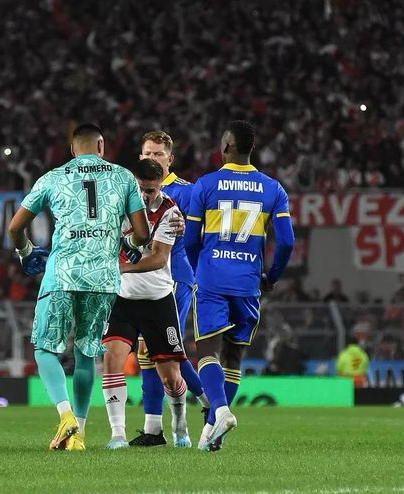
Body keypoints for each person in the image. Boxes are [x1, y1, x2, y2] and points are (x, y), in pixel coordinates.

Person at [8, 123, 150, 451]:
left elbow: (16, 227)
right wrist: (125, 240)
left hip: (62, 274)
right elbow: (142, 235)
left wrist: (26, 252)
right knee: (86, 354)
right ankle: (80, 435)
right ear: (101, 146)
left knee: (45, 348)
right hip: (103, 279)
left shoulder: (53, 178)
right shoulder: (124, 177)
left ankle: (65, 415)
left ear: (73, 149)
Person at [184, 120, 294, 451]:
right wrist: (271, 277)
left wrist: (197, 267)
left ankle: (219, 411)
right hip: (249, 283)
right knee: (233, 356)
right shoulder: (273, 189)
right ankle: (210, 433)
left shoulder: (206, 184)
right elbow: (286, 242)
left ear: (228, 147)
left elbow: (190, 240)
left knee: (206, 351)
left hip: (212, 279)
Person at [101, 158, 191, 449]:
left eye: (151, 190)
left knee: (170, 377)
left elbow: (159, 259)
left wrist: (122, 268)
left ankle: (179, 423)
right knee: (112, 358)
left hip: (157, 300)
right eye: (140, 189)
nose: (145, 196)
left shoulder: (170, 212)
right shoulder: (118, 206)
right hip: (123, 299)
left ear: (160, 187)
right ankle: (117, 435)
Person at [130, 130, 210, 448]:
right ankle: (158, 425)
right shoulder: (134, 191)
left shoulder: (184, 193)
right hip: (143, 281)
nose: (152, 159)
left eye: (158, 155)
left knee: (161, 353)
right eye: (147, 154)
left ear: (170, 159)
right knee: (152, 353)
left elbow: (194, 236)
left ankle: (208, 406)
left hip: (173, 279)